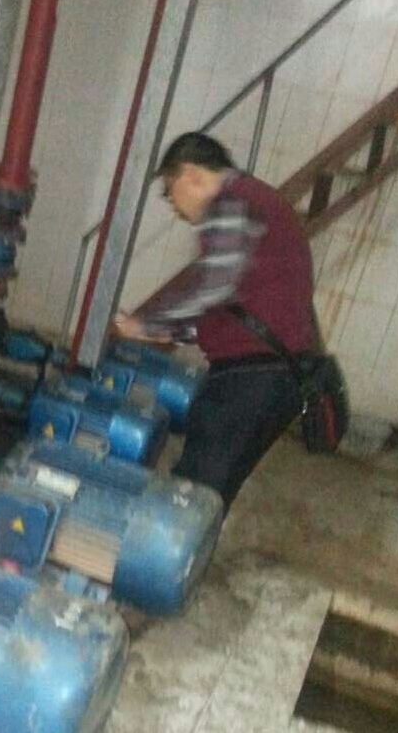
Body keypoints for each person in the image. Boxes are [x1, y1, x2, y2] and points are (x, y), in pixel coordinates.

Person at [114, 132, 314, 512]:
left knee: (190, 496)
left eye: (171, 192)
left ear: (191, 174)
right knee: (206, 493)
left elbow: (212, 287)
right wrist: (166, 331)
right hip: (267, 376)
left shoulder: (231, 202)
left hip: (253, 380)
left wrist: (146, 322)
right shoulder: (254, 201)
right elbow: (223, 309)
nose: (174, 206)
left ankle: (161, 549)